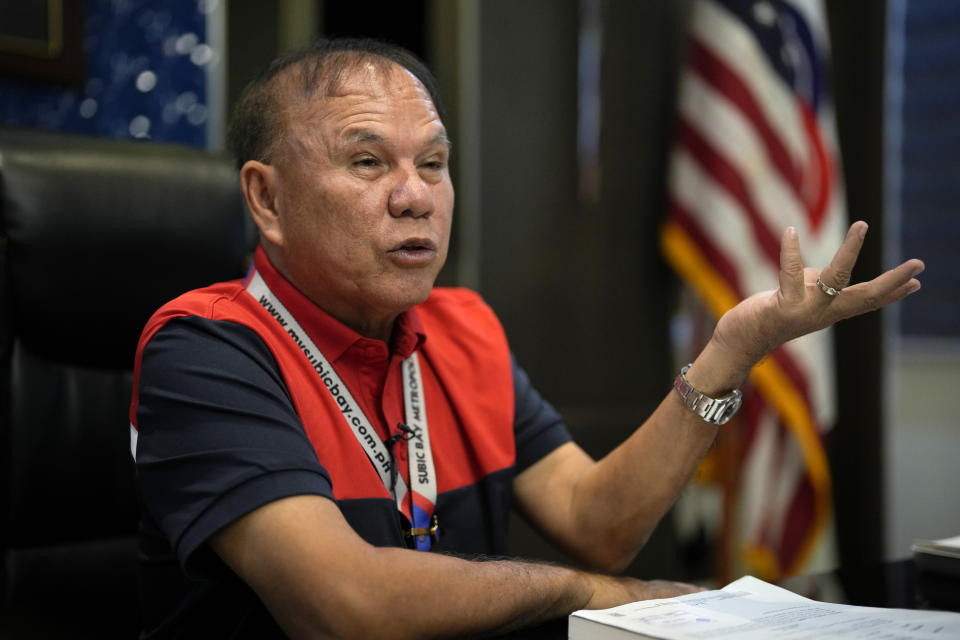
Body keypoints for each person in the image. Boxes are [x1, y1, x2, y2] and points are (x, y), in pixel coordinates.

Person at [129, 37, 924, 639]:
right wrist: (587, 594)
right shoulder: (204, 347)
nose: (415, 197)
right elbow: (344, 606)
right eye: (368, 162)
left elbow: (598, 523)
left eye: (433, 163)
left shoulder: (462, 324)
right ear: (266, 201)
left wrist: (730, 353)